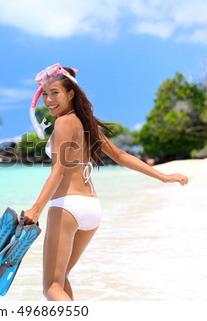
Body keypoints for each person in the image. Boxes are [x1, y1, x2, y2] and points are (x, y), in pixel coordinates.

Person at [23, 63, 189, 301]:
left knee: (51, 287)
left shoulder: (62, 123)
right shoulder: (85, 123)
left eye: (55, 93)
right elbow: (120, 156)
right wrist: (162, 176)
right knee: (62, 279)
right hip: (91, 209)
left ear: (71, 93)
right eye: (45, 94)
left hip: (67, 207)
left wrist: (36, 209)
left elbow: (58, 170)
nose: (49, 100)